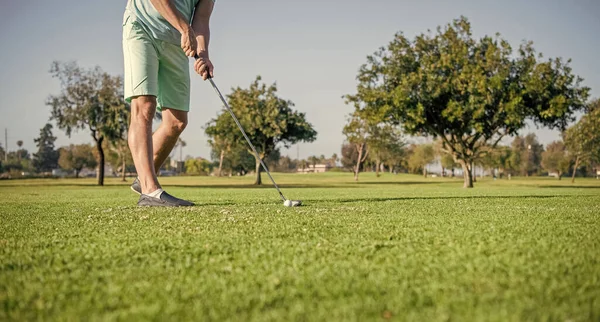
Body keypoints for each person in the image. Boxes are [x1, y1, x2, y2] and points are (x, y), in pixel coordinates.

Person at [122, 0, 215, 206]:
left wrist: (203, 56)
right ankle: (150, 191)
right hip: (143, 28)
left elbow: (201, 19)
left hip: (177, 41)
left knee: (176, 121)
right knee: (144, 106)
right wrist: (184, 28)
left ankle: (144, 177)